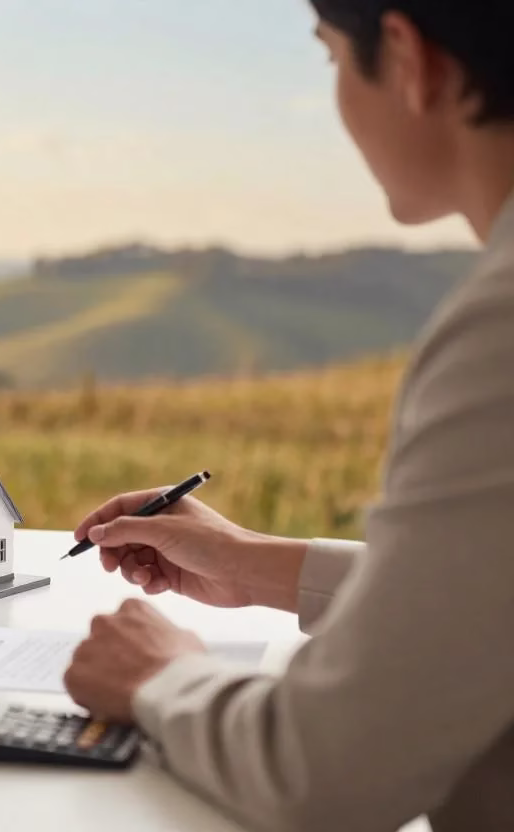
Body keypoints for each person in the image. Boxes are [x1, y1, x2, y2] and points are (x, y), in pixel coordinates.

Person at [62, 2, 514, 830]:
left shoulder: (501, 330)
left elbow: (331, 770)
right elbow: (487, 596)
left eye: (332, 58)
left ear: (408, 59)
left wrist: (160, 678)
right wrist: (253, 566)